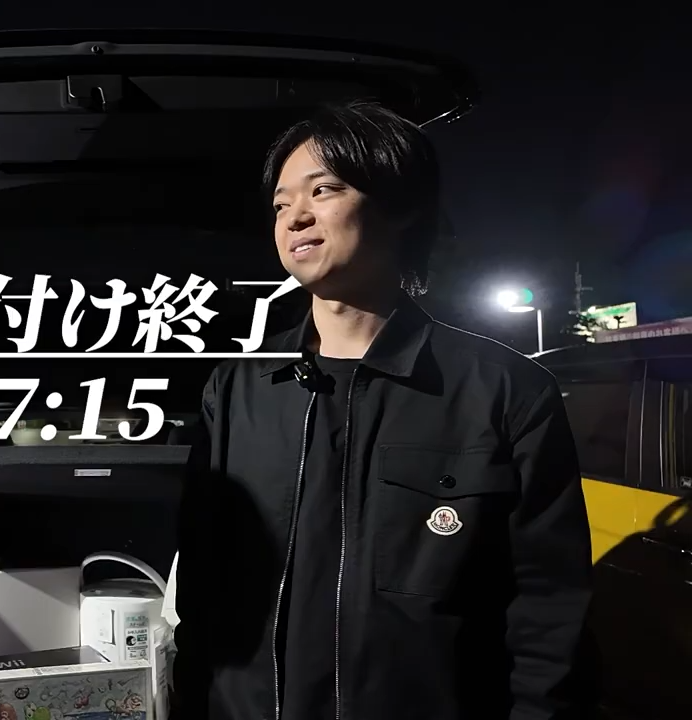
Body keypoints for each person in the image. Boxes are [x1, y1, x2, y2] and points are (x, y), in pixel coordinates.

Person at [170, 102, 593, 720]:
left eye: (324, 190)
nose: (296, 217)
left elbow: (549, 609)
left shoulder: (506, 391)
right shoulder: (236, 387)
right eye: (282, 204)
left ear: (400, 206)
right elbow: (202, 587)